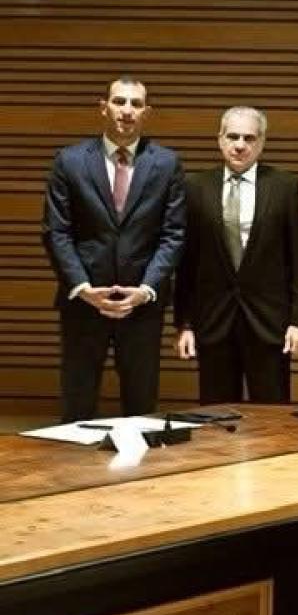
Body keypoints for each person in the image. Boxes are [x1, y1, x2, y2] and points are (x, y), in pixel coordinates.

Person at [43, 76, 185, 421]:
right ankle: (75, 476)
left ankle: (140, 477)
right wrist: (83, 288)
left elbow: (174, 235)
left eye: (136, 104)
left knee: (141, 407)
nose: (127, 110)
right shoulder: (70, 160)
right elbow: (56, 231)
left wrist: (147, 290)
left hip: (142, 308)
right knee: (77, 404)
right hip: (84, 304)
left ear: (146, 112)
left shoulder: (166, 164)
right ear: (103, 107)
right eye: (119, 101)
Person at [173, 106, 298, 403]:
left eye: (249, 138)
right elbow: (186, 263)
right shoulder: (195, 187)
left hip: (269, 324)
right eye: (232, 136)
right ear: (219, 139)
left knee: (273, 420)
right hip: (213, 323)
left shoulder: (285, 186)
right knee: (216, 418)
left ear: (261, 143)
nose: (240, 145)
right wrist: (185, 325)